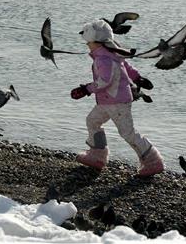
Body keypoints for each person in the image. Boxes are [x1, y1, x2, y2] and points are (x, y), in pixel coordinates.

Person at [70, 20, 164, 177]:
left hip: (117, 102)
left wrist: (86, 89)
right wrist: (137, 78)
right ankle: (97, 155)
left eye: (89, 43)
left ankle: (153, 161)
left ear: (98, 42)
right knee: (93, 121)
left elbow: (104, 82)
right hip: (107, 101)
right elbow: (126, 67)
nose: (87, 46)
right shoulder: (111, 53)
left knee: (128, 133)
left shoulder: (103, 59)